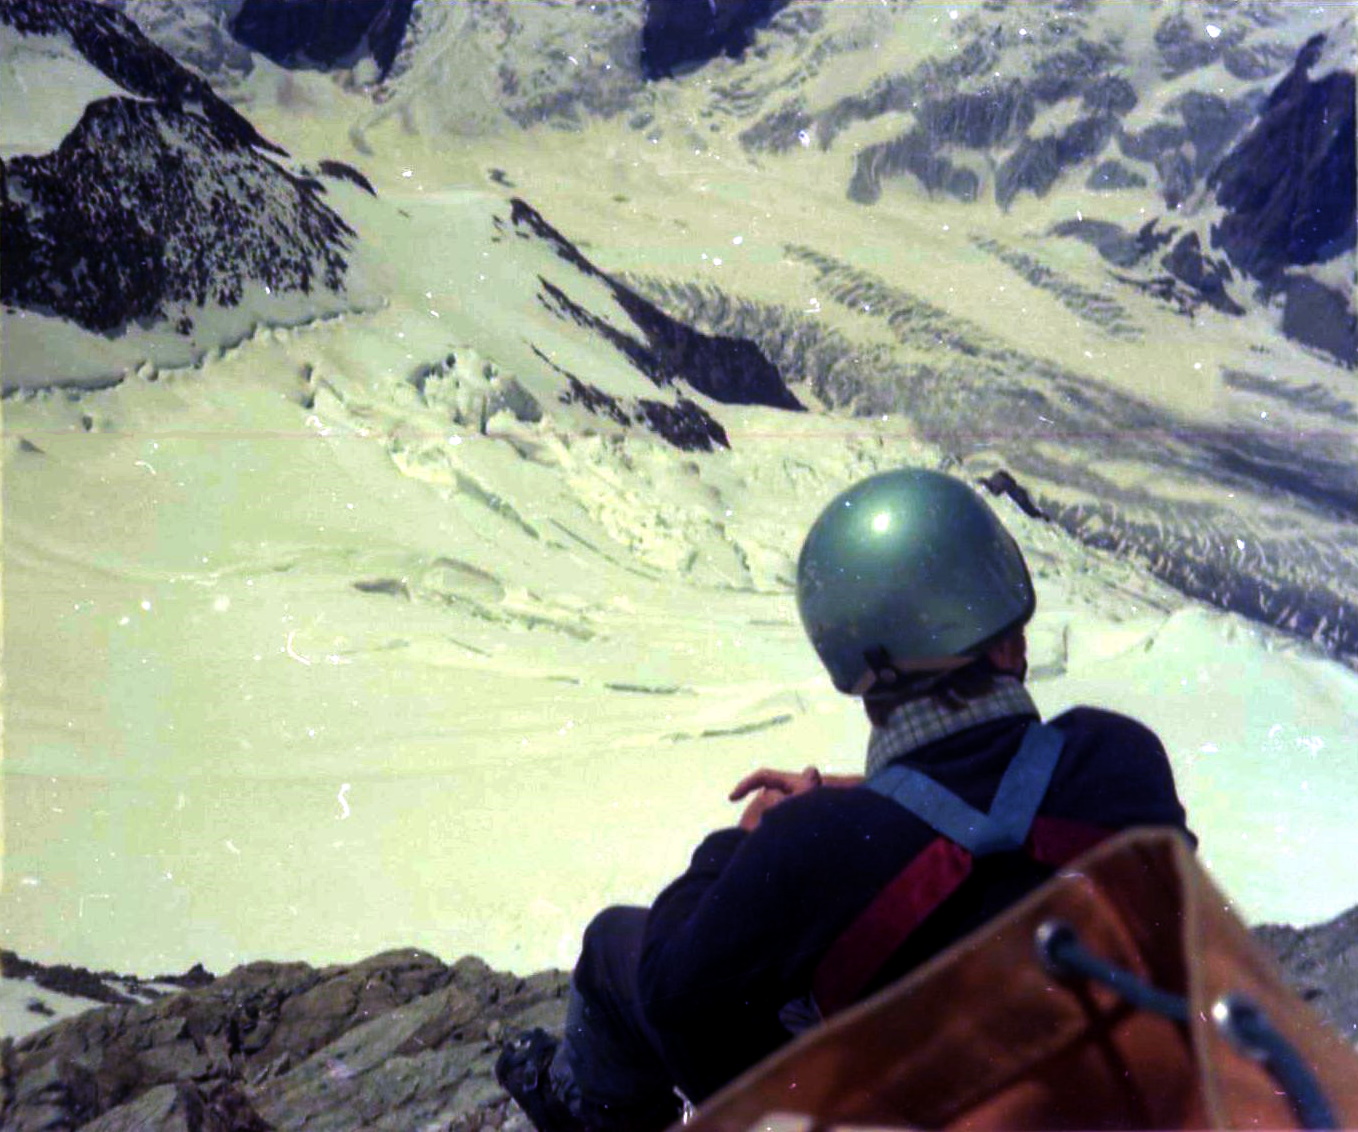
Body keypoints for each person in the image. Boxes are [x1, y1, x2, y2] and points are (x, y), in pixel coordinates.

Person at [496, 467, 1193, 1132]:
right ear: (1009, 648)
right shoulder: (1119, 759)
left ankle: (582, 1114)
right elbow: (996, 818)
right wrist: (868, 802)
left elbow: (670, 995)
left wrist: (742, 842)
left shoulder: (814, 848)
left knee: (615, 943)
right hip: (1103, 1097)